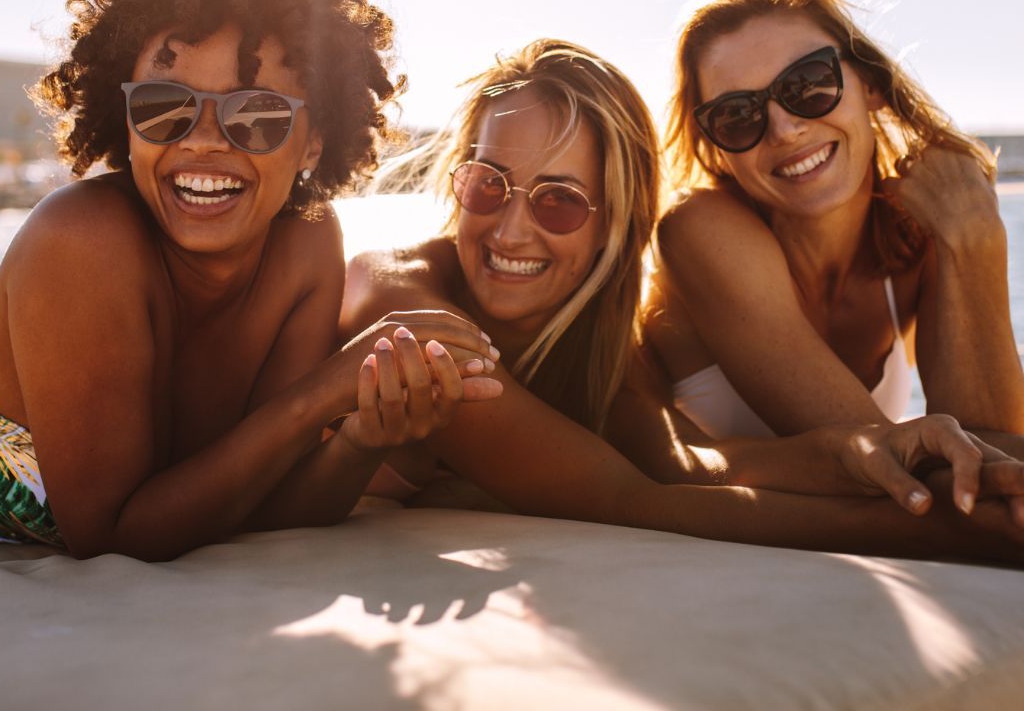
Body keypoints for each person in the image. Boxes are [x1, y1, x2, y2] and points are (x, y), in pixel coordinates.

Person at [0, 0, 500, 560]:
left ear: (314, 143)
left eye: (257, 116)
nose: (204, 141)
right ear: (125, 120)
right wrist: (323, 395)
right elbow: (115, 533)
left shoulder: (307, 245)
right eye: (163, 106)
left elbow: (267, 501)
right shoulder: (81, 242)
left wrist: (359, 439)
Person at [341, 39, 1024, 561]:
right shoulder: (402, 300)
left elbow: (686, 462)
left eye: (559, 201)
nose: (510, 229)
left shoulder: (588, 335)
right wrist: (962, 533)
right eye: (488, 185)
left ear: (616, 222)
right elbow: (634, 499)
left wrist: (865, 451)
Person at [643, 0, 1024, 446]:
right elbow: (889, 467)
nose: (784, 129)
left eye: (808, 84)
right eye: (737, 115)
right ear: (717, 147)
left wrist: (974, 236)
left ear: (871, 85)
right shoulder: (700, 230)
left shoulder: (915, 236)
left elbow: (990, 453)